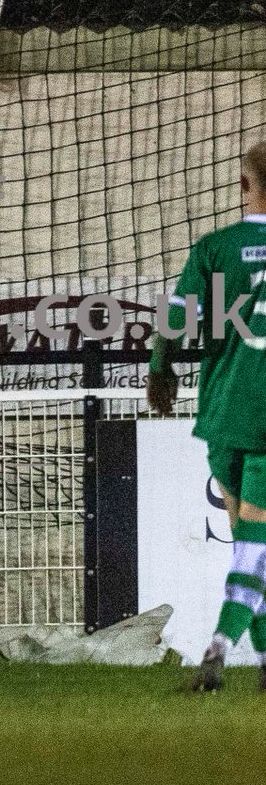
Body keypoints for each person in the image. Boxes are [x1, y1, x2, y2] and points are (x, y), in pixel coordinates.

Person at [147, 143, 266, 691]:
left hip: (224, 411)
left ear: (244, 185)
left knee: (250, 542)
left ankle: (229, 654)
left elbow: (177, 318)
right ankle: (228, 653)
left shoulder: (215, 248)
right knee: (254, 547)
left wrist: (160, 370)